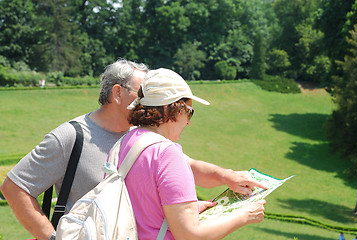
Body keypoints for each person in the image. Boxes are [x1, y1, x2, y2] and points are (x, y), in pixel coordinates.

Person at [0, 59, 267, 240]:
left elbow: (183, 169)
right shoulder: (72, 136)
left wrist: (225, 176)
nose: (145, 100)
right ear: (118, 93)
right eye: (143, 92)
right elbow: (13, 187)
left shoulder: (133, 138)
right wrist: (53, 238)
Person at [121, 68, 266, 239]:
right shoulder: (166, 153)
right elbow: (190, 235)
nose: (189, 122)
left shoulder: (128, 140)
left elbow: (145, 207)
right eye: (189, 111)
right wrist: (244, 215)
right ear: (170, 109)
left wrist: (188, 208)